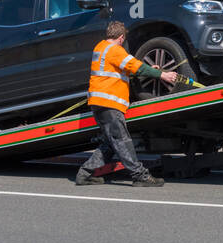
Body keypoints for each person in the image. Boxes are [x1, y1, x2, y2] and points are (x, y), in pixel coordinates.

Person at [76, 21, 179, 187]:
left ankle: (85, 174)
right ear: (121, 37)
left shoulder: (100, 47)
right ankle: (140, 176)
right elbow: (134, 66)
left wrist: (148, 68)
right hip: (110, 102)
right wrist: (161, 74)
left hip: (99, 102)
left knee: (111, 143)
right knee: (122, 141)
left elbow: (122, 69)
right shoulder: (116, 50)